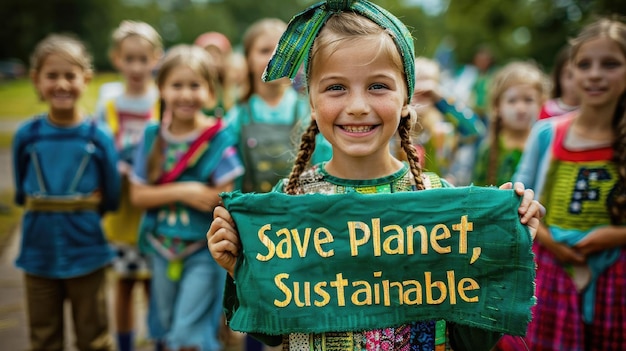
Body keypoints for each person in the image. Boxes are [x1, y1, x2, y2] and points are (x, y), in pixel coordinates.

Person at [207, 1, 544, 350]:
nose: (357, 105)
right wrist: (242, 269)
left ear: (405, 98)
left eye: (378, 86)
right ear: (311, 99)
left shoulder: (437, 202)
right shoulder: (290, 200)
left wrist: (502, 249)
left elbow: (471, 339)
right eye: (336, 87)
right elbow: (274, 333)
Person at [496, 17, 626, 350]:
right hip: (552, 270)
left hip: (616, 276)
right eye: (584, 65)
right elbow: (522, 194)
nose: (595, 74)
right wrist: (549, 238)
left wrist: (613, 235)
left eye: (610, 64)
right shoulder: (547, 134)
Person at [130, 44, 244, 351]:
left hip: (203, 252)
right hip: (161, 247)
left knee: (190, 330)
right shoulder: (153, 136)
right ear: (162, 88)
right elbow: (138, 195)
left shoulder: (218, 139)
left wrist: (204, 197)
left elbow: (227, 200)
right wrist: (187, 191)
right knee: (165, 325)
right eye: (177, 85)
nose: (185, 94)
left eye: (195, 85)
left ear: (210, 90)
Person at [11, 33, 121, 351]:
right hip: (37, 250)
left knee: (94, 335)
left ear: (85, 79)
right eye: (52, 76)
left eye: (69, 75)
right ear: (36, 80)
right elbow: (21, 190)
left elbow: (111, 193)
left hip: (87, 248)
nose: (61, 84)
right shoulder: (27, 136)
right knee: (43, 336)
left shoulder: (97, 136)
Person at [95, 20, 163, 351]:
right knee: (122, 285)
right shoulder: (109, 102)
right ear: (116, 58)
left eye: (143, 58)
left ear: (156, 58)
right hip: (121, 210)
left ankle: (156, 340)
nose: (136, 67)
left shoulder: (162, 101)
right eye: (129, 58)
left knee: (153, 286)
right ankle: (124, 344)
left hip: (153, 212)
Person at [225, 18, 331, 194]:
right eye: (264, 50)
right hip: (253, 215)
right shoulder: (237, 117)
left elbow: (326, 168)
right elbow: (231, 181)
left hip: (302, 215)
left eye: (283, 49)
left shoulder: (312, 111)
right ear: (248, 60)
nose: (275, 56)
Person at [408, 56, 486, 184]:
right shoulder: (394, 126)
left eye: (428, 84)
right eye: (415, 82)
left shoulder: (444, 129)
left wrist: (442, 98)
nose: (421, 90)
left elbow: (476, 130)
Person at [472, 61, 548, 186]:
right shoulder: (488, 149)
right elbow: (477, 195)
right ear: (497, 105)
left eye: (528, 100)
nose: (521, 109)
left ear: (541, 103)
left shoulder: (544, 146)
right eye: (512, 101)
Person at [194, 31, 236, 118]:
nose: (212, 58)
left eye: (217, 54)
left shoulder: (232, 92)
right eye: (207, 53)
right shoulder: (192, 90)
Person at [538, 45, 580, 120]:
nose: (574, 82)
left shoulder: (595, 111)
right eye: (569, 76)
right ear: (558, 77)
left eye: (579, 75)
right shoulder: (545, 111)